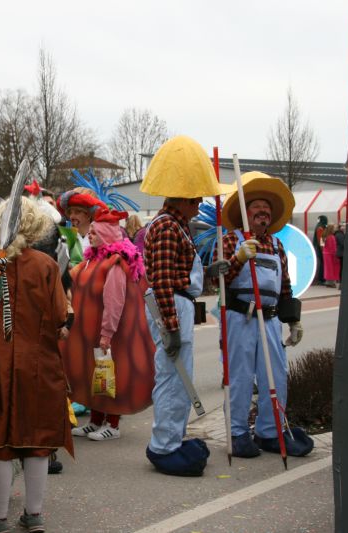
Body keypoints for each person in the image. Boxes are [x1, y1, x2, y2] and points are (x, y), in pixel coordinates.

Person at [0, 196, 73, 533]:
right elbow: (59, 316)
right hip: (37, 365)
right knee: (36, 440)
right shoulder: (46, 265)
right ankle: (33, 514)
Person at [139, 135, 223, 477]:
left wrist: (211, 272)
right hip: (171, 306)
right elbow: (162, 280)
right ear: (184, 199)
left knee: (178, 378)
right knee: (173, 379)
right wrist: (171, 327)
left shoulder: (176, 225)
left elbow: (176, 273)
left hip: (176, 303)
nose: (200, 202)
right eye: (196, 198)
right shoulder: (167, 226)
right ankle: (164, 446)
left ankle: (171, 439)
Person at [217, 171, 312, 458]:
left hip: (270, 319)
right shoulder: (230, 240)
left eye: (267, 209)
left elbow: (285, 287)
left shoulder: (277, 245)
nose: (263, 212)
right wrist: (237, 259)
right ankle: (237, 434)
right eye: (257, 208)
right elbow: (217, 280)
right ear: (246, 214)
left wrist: (293, 319)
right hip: (240, 317)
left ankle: (270, 432)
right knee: (240, 377)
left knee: (276, 376)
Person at [64, 208, 155, 441]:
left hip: (110, 333)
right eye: (91, 231)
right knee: (95, 375)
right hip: (90, 332)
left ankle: (112, 424)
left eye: (95, 232)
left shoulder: (115, 262)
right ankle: (95, 421)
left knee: (111, 375)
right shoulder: (92, 259)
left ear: (105, 234)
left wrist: (107, 333)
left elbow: (114, 301)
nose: (90, 235)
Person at [57, 190, 106, 267]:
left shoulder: (100, 237)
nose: (72, 216)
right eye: (70, 212)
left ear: (88, 215)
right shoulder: (66, 236)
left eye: (77, 212)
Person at [312, 215, 328, 284]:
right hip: (319, 249)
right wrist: (322, 249)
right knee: (322, 264)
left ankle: (320, 278)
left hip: (317, 248)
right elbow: (320, 240)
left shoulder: (318, 226)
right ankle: (321, 279)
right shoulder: (320, 228)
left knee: (321, 263)